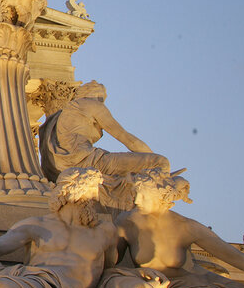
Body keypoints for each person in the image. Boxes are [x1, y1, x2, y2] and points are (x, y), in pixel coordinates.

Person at [38, 81, 170, 209]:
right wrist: (152, 158)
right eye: (102, 99)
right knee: (160, 162)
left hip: (62, 168)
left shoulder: (62, 114)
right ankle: (152, 209)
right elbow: (125, 137)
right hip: (88, 161)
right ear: (97, 96)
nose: (103, 103)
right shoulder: (91, 104)